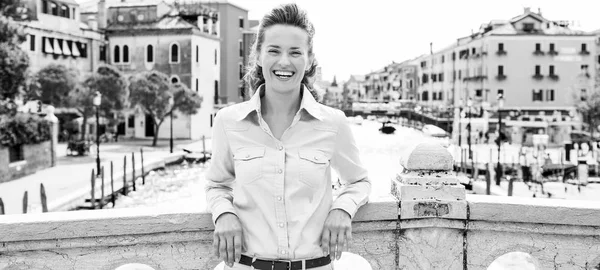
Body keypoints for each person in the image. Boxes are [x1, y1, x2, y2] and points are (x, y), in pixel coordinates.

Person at [205, 4, 371, 270]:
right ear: (258, 56)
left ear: (309, 60)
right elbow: (216, 185)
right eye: (274, 50)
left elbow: (359, 181)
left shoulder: (333, 123)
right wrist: (224, 214)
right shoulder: (228, 122)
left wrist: (342, 209)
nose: (284, 62)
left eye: (295, 52)